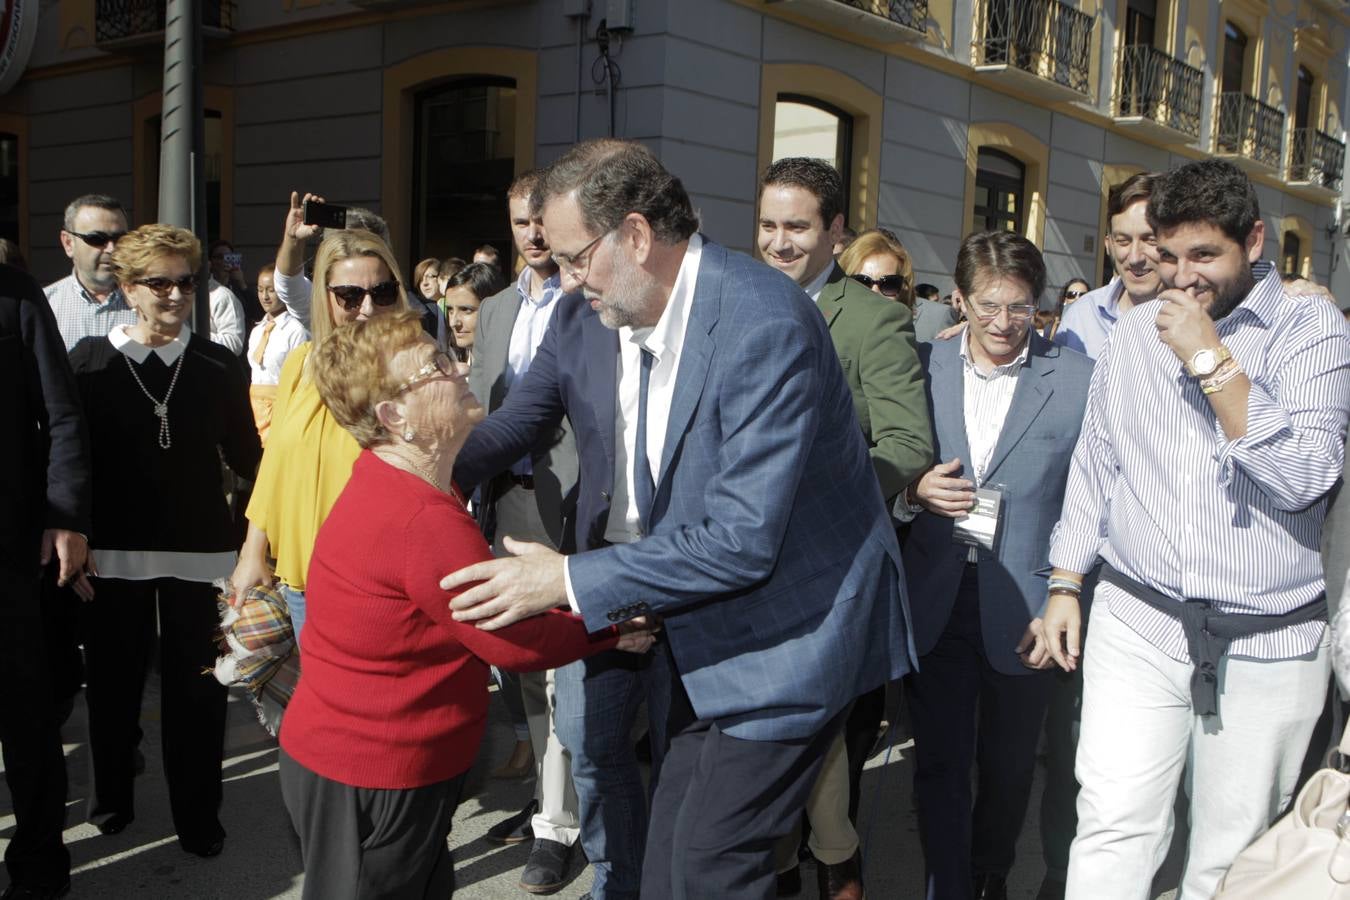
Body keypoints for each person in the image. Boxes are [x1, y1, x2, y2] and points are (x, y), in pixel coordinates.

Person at [444, 138, 914, 900]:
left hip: (785, 641)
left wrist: (562, 579)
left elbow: (740, 540)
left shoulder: (761, 323)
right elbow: (535, 428)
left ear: (634, 236)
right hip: (695, 627)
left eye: (573, 259)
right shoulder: (621, 311)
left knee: (707, 870)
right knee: (668, 865)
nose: (564, 282)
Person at [1030, 158, 1350, 900]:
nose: (1180, 276)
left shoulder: (1313, 330)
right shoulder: (1133, 335)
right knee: (1112, 825)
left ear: (1255, 242)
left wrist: (1210, 357)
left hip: (1267, 640)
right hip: (1138, 620)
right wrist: (1066, 581)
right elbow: (1098, 464)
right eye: (1167, 256)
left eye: (1204, 255)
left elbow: (1304, 475)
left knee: (1227, 855)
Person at [278, 310, 653, 900]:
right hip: (373, 771)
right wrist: (607, 628)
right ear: (393, 416)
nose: (456, 367)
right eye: (434, 366)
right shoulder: (422, 518)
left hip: (356, 764)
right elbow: (511, 640)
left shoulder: (392, 478)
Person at [758, 158, 931, 900]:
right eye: (768, 224)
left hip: (825, 568)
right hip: (739, 568)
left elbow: (905, 444)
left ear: (835, 232)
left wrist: (817, 494)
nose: (779, 242)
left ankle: (837, 865)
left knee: (822, 750)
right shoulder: (730, 300)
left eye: (797, 226)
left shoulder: (871, 317)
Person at [903, 231, 1093, 900]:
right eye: (988, 306)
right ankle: (948, 886)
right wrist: (912, 490)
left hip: (1028, 611)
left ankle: (991, 874)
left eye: (1019, 308)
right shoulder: (919, 367)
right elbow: (885, 459)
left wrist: (1063, 597)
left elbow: (1090, 499)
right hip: (937, 597)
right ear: (959, 297)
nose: (1004, 323)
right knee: (941, 765)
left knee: (1010, 767)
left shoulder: (1075, 381)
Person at [68, 224, 262, 858]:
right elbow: (71, 459)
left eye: (187, 281)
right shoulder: (89, 362)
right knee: (114, 687)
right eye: (160, 282)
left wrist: (257, 546)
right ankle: (111, 802)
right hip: (111, 553)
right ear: (128, 288)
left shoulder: (216, 363)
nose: (176, 294)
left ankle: (199, 815)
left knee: (200, 692)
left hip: (202, 550)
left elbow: (248, 458)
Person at [466, 167, 591, 894]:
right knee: (514, 663)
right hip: (503, 504)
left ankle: (559, 823)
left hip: (569, 512)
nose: (535, 234)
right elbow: (488, 414)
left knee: (559, 676)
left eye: (543, 220)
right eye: (521, 222)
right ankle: (546, 798)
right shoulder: (493, 311)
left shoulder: (592, 306)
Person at [230, 230, 410, 645]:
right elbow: (274, 463)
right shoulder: (301, 364)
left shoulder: (412, 369)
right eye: (349, 295)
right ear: (324, 298)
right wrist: (252, 551)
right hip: (301, 577)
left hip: (376, 580)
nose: (366, 308)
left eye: (381, 292)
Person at [0, 264, 91, 900]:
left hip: (9, 549)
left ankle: (37, 867)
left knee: (26, 719)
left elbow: (61, 414)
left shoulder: (15, 293)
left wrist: (64, 517)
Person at [45, 194, 136, 351]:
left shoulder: (151, 303)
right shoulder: (45, 305)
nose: (111, 248)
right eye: (97, 239)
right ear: (68, 243)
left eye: (120, 239)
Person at [245, 262, 309, 443]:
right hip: (256, 408)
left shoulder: (295, 330)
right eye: (260, 290)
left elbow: (300, 377)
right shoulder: (257, 331)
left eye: (271, 290)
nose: (265, 296)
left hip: (282, 407)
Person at [443, 262, 503, 366]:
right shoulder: (454, 361)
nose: (453, 323)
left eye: (466, 310)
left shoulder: (514, 370)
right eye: (450, 310)